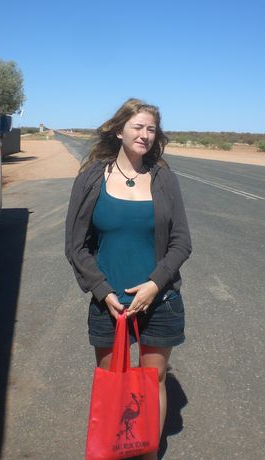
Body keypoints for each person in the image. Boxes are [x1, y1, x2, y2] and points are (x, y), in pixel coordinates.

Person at [65, 98, 192, 460]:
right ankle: (115, 451)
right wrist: (102, 291)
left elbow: (181, 241)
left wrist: (154, 284)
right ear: (119, 130)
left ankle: (147, 453)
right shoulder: (92, 178)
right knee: (114, 385)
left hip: (161, 300)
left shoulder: (164, 179)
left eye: (151, 129)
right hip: (110, 306)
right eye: (137, 126)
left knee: (152, 384)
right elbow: (76, 245)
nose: (145, 134)